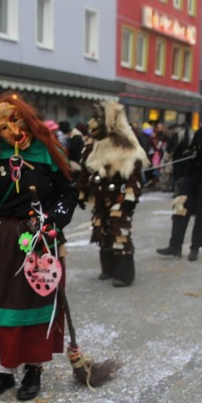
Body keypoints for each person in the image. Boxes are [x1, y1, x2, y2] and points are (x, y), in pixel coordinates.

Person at [0, 94, 77, 400]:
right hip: (0, 244)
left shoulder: (50, 150)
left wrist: (54, 222)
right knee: (0, 308)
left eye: (15, 120)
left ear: (25, 116)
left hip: (40, 241)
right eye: (3, 127)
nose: (12, 131)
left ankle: (33, 369)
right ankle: (3, 371)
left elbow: (69, 193)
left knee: (35, 308)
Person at [75, 100, 147, 287]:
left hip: (119, 196)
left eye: (97, 118)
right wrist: (82, 192)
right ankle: (108, 268)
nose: (92, 123)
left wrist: (129, 196)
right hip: (100, 195)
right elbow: (84, 170)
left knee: (119, 229)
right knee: (102, 228)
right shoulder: (93, 144)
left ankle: (125, 274)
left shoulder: (127, 144)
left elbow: (133, 174)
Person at [158, 97, 202, 261]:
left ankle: (195, 248)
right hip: (192, 176)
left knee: (201, 215)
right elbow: (192, 148)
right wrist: (189, 155)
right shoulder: (200, 131)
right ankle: (175, 246)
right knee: (180, 208)